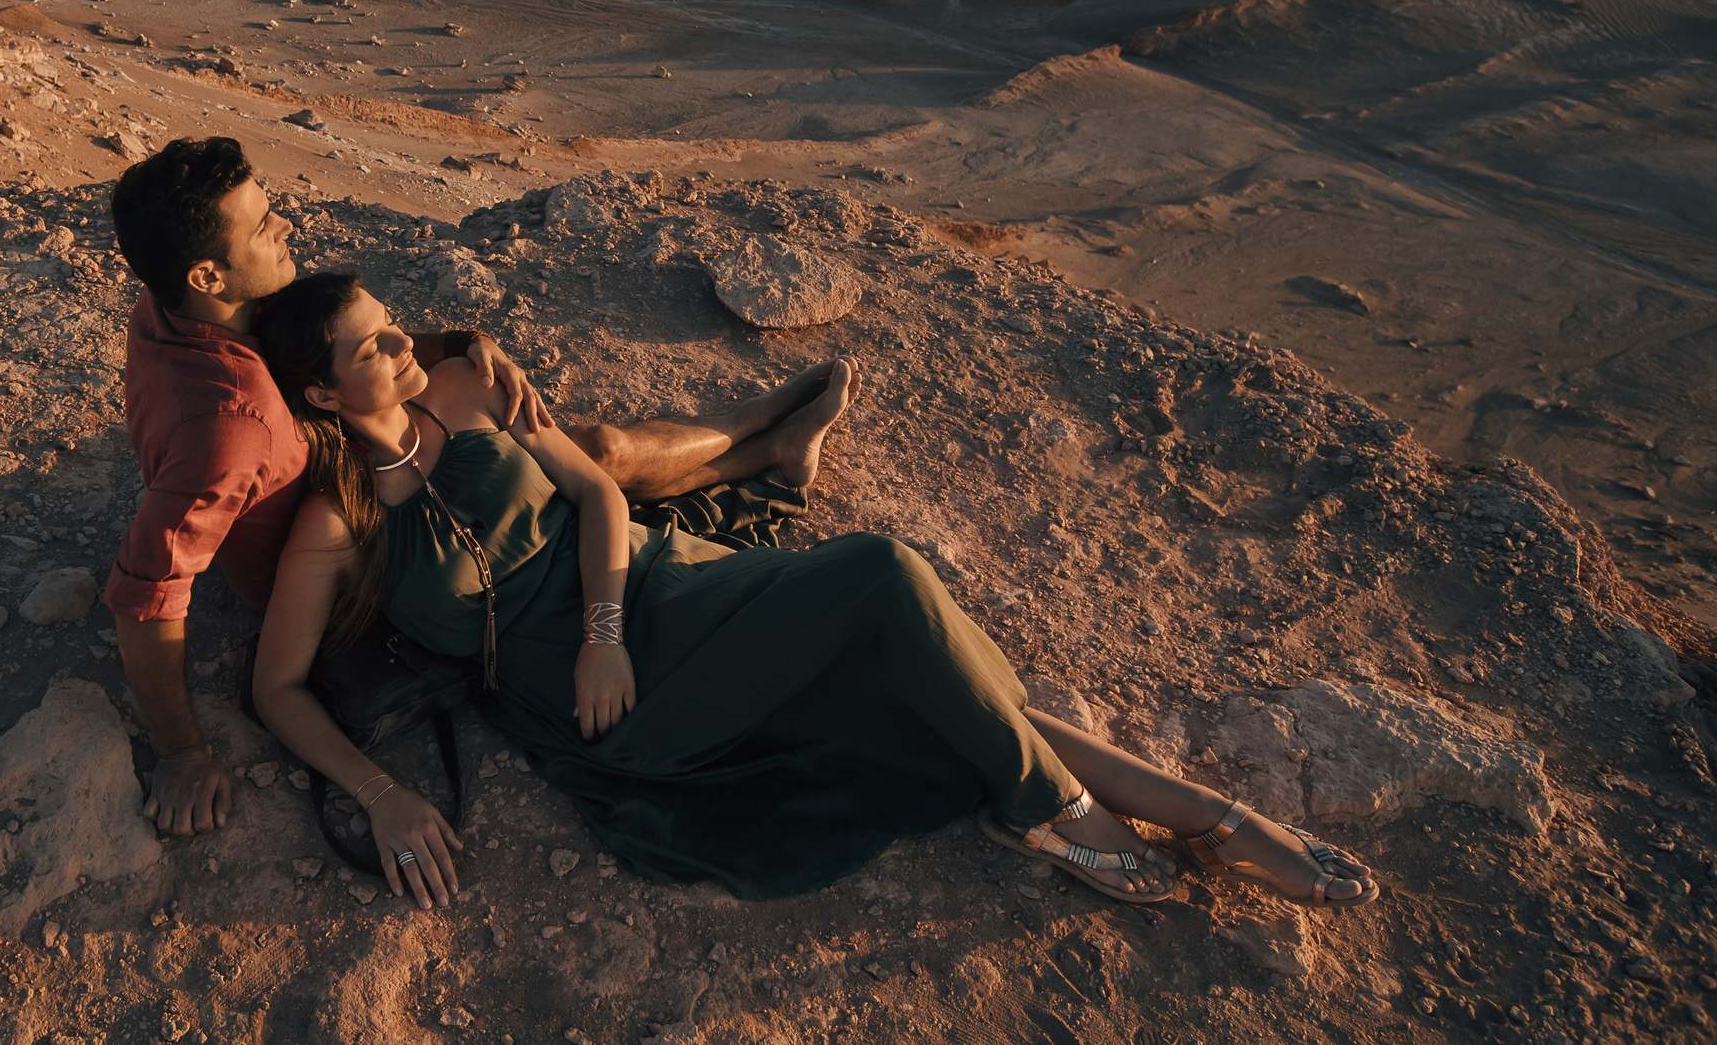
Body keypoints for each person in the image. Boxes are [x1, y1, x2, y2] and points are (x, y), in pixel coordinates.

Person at [246, 271, 1382, 916]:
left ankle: (1192, 814)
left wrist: (604, 626)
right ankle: (1113, 816)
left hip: (650, 597)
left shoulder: (461, 387)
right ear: (320, 389)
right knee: (882, 585)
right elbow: (280, 689)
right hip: (599, 703)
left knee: (911, 667)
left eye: (392, 326)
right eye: (371, 344)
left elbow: (597, 497)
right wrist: (381, 795)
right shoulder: (336, 524)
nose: (401, 339)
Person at [106, 138, 851, 839]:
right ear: (208, 274)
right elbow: (147, 596)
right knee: (593, 459)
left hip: (352, 461)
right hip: (359, 554)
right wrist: (180, 751)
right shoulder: (232, 431)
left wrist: (459, 347)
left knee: (590, 451)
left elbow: (334, 341)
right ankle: (758, 435)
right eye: (266, 225)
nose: (287, 224)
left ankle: (764, 439)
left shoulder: (175, 306)